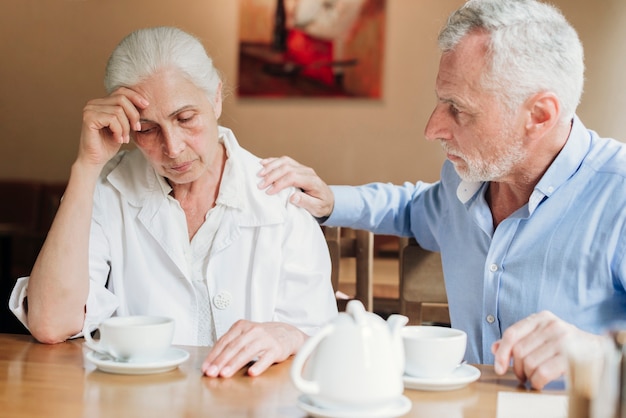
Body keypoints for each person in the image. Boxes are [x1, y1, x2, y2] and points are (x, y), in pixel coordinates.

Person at [258, 0, 626, 390]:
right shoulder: (463, 178)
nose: (433, 128)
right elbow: (413, 208)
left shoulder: (618, 194)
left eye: (458, 109)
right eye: (440, 100)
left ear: (539, 115)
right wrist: (331, 200)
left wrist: (596, 351)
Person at [9, 26, 337, 378]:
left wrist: (290, 335)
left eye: (185, 119)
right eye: (146, 130)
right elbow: (51, 323)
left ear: (215, 98)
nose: (173, 148)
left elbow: (327, 345)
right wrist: (87, 166)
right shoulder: (108, 191)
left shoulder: (280, 197)